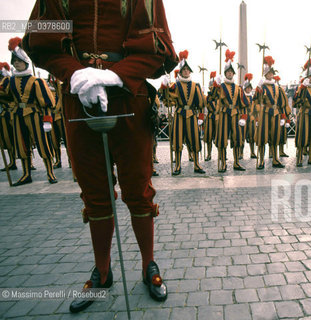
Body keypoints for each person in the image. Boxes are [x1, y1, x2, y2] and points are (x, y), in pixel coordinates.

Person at [23, 0, 178, 311]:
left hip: (129, 96)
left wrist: (114, 76)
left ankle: (149, 265)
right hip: (77, 96)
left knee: (138, 189)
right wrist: (77, 75)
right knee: (95, 193)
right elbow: (42, 41)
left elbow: (155, 47)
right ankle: (102, 273)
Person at [0, 37, 57, 186]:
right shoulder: (10, 81)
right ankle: (26, 174)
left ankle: (50, 172)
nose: (16, 63)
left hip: (35, 115)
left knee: (43, 143)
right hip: (18, 116)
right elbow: (6, 97)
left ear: (25, 62)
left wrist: (47, 120)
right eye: (14, 62)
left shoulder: (36, 81)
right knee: (21, 144)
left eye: (19, 61)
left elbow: (47, 102)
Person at [161, 50, 205, 175]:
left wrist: (200, 115)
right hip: (179, 115)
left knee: (195, 139)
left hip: (191, 115)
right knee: (178, 140)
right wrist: (165, 88)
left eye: (187, 70)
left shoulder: (196, 86)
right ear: (180, 71)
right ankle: (178, 166)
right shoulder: (175, 85)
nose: (186, 71)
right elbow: (169, 101)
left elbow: (201, 103)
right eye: (183, 70)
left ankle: (197, 164)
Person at [215, 49, 249, 172]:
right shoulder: (221, 86)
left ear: (233, 74)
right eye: (228, 72)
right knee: (223, 139)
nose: (229, 74)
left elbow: (244, 103)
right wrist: (215, 87)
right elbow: (214, 98)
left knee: (237, 138)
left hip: (235, 114)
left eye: (231, 72)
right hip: (224, 114)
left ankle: (236, 162)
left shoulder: (238, 88)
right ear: (225, 73)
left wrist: (243, 117)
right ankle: (223, 163)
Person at [254, 56, 286, 169]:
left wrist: (282, 116)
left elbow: (281, 103)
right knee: (262, 137)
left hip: (276, 113)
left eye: (272, 73)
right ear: (265, 75)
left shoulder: (277, 87)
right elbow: (256, 101)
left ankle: (275, 159)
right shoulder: (261, 86)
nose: (270, 75)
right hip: (265, 113)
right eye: (268, 73)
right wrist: (259, 111)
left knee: (275, 136)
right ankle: (261, 160)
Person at [0, 62, 17, 172]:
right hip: (3, 113)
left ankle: (29, 163)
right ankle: (12, 161)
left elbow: (6, 93)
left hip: (10, 112)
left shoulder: (7, 80)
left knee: (18, 137)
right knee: (7, 139)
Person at [275, 75, 291, 158]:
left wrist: (287, 118)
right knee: (273, 133)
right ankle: (272, 152)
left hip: (282, 113)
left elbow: (284, 104)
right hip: (274, 113)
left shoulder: (280, 90)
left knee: (282, 133)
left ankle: (281, 151)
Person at [203, 71, 218, 161]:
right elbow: (201, 106)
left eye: (214, 86)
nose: (212, 88)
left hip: (217, 117)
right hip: (210, 117)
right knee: (208, 137)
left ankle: (222, 154)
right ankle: (209, 154)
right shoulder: (206, 97)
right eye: (211, 86)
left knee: (220, 136)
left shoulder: (219, 96)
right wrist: (201, 118)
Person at [243, 73, 257, 159]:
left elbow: (255, 108)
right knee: (242, 136)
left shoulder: (253, 98)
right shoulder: (242, 97)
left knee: (252, 136)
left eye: (249, 88)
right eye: (247, 88)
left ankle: (252, 152)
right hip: (244, 118)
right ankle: (241, 153)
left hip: (251, 119)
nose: (248, 89)